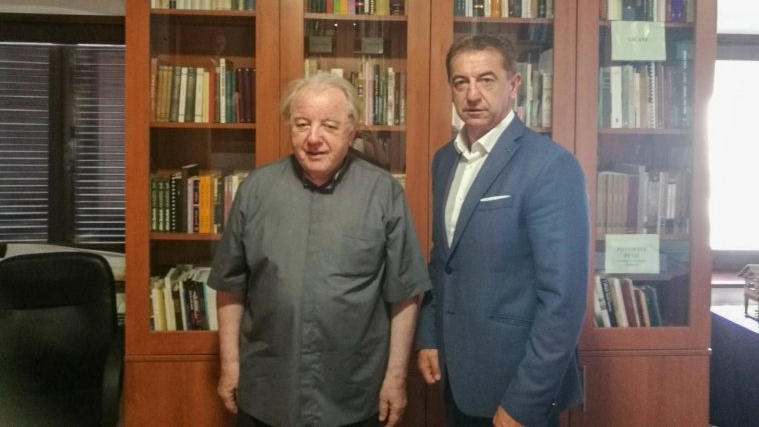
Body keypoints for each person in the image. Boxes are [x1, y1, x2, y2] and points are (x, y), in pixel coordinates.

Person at [208, 72, 430, 427]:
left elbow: (404, 294)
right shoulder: (255, 190)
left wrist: (396, 377)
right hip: (266, 389)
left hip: (353, 393)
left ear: (351, 132)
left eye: (329, 125)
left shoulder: (383, 193)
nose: (313, 138)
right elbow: (230, 285)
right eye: (302, 124)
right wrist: (230, 366)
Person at [415, 34, 589, 427]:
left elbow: (563, 300)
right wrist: (429, 335)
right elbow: (442, 260)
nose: (472, 94)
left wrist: (525, 402)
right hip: (456, 374)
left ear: (513, 85)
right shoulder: (444, 161)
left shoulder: (550, 166)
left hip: (516, 385)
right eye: (461, 82)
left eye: (486, 80)